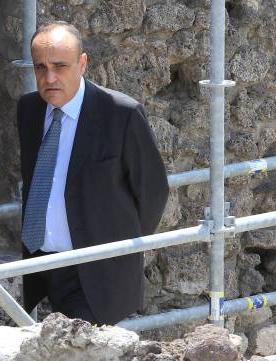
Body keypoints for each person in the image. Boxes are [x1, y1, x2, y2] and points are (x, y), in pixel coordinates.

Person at [17, 21, 169, 326]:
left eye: (60, 66)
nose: (50, 78)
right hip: (44, 265)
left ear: (82, 63)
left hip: (95, 272)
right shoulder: (29, 109)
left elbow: (153, 193)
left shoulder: (120, 113)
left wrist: (117, 252)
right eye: (40, 67)